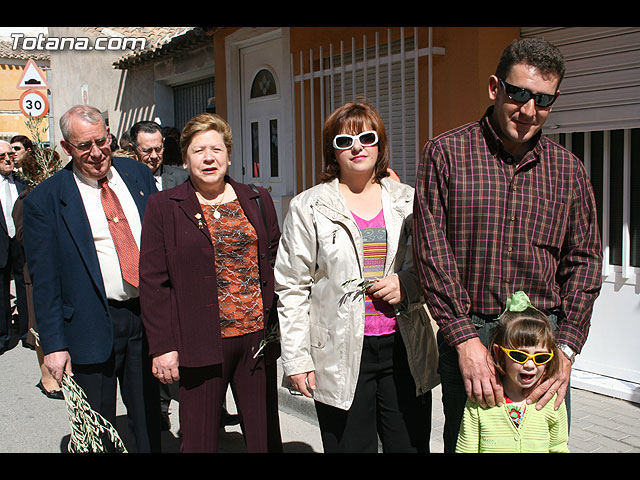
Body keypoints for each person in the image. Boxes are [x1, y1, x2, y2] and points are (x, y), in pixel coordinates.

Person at [412, 38, 603, 452]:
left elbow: (585, 262)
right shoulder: (446, 154)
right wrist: (464, 341)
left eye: (543, 100)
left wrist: (566, 349)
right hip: (471, 334)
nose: (529, 110)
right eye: (518, 94)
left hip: (541, 345)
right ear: (495, 87)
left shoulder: (569, 171)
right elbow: (431, 252)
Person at [274, 100, 439, 453]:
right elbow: (292, 286)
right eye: (344, 141)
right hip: (339, 351)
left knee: (408, 446)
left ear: (379, 144)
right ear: (332, 152)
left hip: (403, 348)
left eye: (367, 137)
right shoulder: (309, 206)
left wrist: (406, 284)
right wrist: (297, 359)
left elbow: (433, 265)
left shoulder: (408, 200)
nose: (357, 147)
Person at [139, 112, 282, 453]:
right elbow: (153, 281)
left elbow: (276, 262)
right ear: (185, 157)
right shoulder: (164, 206)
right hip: (199, 341)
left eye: (216, 149)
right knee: (199, 439)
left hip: (256, 340)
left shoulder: (257, 200)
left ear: (229, 155)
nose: (208, 158)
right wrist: (162, 346)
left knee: (263, 437)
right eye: (198, 150)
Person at [22, 104, 161, 452]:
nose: (97, 153)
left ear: (110, 135)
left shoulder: (138, 176)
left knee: (149, 418)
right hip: (90, 324)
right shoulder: (47, 200)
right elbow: (46, 281)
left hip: (145, 319)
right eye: (85, 146)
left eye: (101, 141)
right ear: (67, 148)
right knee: (98, 427)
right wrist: (53, 347)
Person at [456, 291, 569, 453]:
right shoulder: (481, 400)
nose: (530, 365)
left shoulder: (551, 401)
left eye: (541, 357)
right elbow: (465, 449)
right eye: (519, 356)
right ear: (500, 354)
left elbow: (559, 448)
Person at [12, 147, 64, 399]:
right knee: (40, 327)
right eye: (48, 167)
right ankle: (46, 378)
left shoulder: (57, 195)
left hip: (61, 270)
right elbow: (22, 236)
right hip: (35, 273)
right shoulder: (27, 199)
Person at [0, 141, 28, 354]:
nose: (8, 159)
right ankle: (3, 335)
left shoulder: (22, 183)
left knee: (24, 286)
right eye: (2, 156)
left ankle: (28, 331)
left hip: (19, 244)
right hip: (1, 244)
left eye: (10, 154)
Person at [130, 121, 188, 192]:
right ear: (133, 149)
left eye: (158, 149)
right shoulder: (126, 181)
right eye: (147, 150)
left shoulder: (182, 178)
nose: (154, 156)